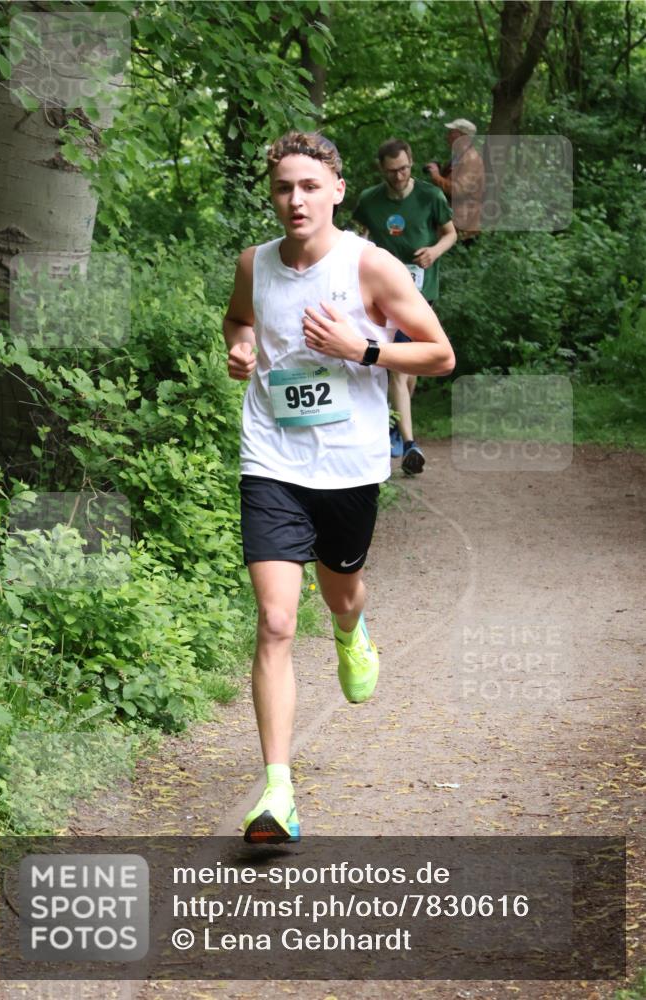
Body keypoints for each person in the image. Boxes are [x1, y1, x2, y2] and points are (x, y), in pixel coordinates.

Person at [223, 131, 455, 844]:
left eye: (308, 187)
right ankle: (277, 794)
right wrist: (236, 343)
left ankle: (352, 631)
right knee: (275, 622)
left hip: (349, 465)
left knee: (340, 591)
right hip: (271, 460)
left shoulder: (371, 267)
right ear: (273, 193)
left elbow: (439, 353)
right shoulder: (254, 264)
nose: (295, 199)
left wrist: (361, 349)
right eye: (284, 187)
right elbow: (238, 319)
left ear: (336, 191)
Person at [352, 138, 456, 475]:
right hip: (383, 295)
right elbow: (360, 237)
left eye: (404, 169)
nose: (398, 176)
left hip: (421, 293)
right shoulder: (370, 200)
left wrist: (433, 252)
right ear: (380, 170)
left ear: (411, 162)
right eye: (391, 171)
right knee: (398, 368)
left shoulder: (430, 196)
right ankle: (410, 444)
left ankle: (396, 425)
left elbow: (450, 233)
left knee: (407, 371)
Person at [426, 118, 485, 245]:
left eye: (452, 132)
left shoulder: (471, 159)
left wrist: (436, 176)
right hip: (454, 221)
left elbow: (458, 190)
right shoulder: (460, 156)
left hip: (464, 226)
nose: (448, 136)